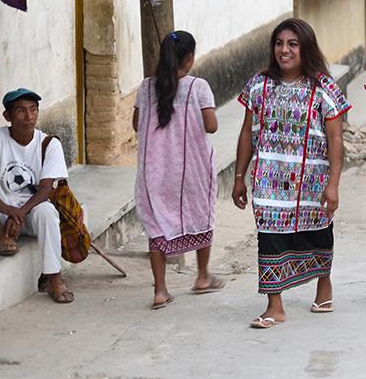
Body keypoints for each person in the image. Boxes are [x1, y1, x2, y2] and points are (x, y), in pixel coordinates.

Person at [232, 19, 349, 329]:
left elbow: (336, 139)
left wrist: (333, 184)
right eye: (279, 43)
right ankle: (275, 306)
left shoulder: (324, 88)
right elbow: (247, 132)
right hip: (269, 182)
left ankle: (324, 284)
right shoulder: (258, 85)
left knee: (319, 232)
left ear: (305, 48)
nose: (284, 50)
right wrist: (239, 177)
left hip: (312, 183)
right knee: (269, 237)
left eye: (292, 44)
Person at [133, 31, 223, 310]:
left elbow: (137, 124)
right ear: (189, 57)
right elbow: (211, 126)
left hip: (155, 171)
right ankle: (203, 276)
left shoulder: (146, 87)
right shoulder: (198, 87)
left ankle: (160, 291)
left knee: (157, 226)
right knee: (201, 214)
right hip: (190, 169)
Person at [0, 89, 72, 303]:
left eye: (33, 110)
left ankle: (54, 280)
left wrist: (19, 212)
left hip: (28, 212)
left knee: (48, 212)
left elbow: (46, 189)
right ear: (7, 116)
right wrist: (7, 210)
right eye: (21, 111)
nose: (29, 117)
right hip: (2, 210)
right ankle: (2, 235)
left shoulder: (49, 144)